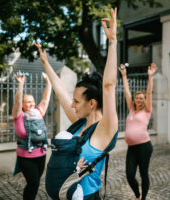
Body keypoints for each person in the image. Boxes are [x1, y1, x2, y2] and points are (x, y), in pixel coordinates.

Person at [35, 8, 118, 200]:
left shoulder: (105, 129)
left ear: (92, 103)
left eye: (77, 101)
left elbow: (109, 85)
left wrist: (112, 42)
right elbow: (61, 91)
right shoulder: (80, 122)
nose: (72, 105)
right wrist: (45, 63)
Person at [118, 63, 158, 200]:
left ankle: (143, 198)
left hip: (144, 146)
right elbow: (126, 90)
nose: (139, 99)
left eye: (142, 98)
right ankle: (137, 195)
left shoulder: (147, 110)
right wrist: (124, 76)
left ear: (144, 100)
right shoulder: (131, 108)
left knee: (143, 173)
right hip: (132, 148)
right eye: (137, 98)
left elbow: (149, 92)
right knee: (129, 175)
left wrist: (150, 76)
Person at [12, 71, 51, 200]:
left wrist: (48, 82)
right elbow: (17, 102)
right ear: (23, 105)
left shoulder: (38, 113)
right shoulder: (19, 116)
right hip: (26, 157)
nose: (31, 104)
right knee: (33, 183)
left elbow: (45, 100)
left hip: (41, 156)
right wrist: (21, 84)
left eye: (32, 101)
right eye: (27, 102)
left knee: (34, 184)